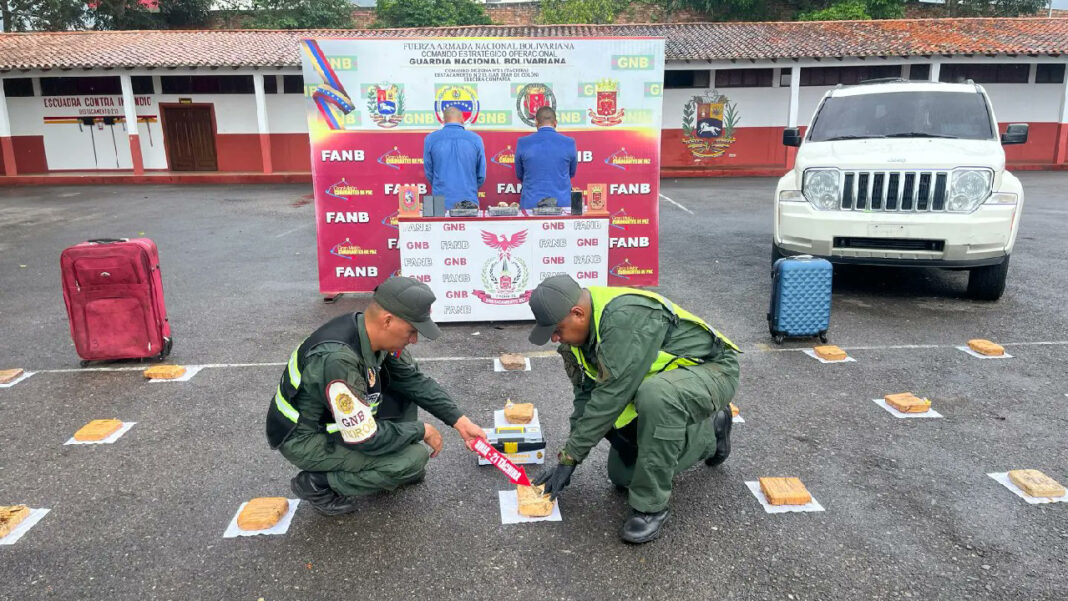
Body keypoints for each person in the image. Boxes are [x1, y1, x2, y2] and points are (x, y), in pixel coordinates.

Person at [527, 275, 740, 543]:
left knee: (656, 396)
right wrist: (567, 460)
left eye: (557, 330)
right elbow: (585, 399)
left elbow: (610, 397)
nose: (555, 338)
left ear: (578, 313)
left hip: (711, 370)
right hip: (659, 383)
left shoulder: (623, 318)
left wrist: (571, 458)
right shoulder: (575, 342)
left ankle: (651, 508)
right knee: (622, 477)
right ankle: (709, 433)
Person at [266, 276, 486, 515]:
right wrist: (421, 430)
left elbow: (414, 382)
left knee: (404, 387)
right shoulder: (338, 360)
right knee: (411, 460)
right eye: (412, 331)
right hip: (307, 439)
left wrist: (460, 421)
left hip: (337, 424)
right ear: (388, 321)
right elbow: (364, 437)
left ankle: (389, 466)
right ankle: (317, 483)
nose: (414, 339)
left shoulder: (371, 334)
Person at [423, 106, 486, 210]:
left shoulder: (430, 139)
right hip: (468, 200)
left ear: (443, 120)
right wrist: (469, 188)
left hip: (438, 202)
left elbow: (429, 173)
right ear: (463, 120)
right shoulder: (476, 139)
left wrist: (440, 186)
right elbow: (481, 175)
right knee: (470, 227)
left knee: (437, 226)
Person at [515, 106, 578, 211]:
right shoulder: (569, 143)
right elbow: (571, 173)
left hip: (531, 205)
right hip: (562, 205)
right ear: (555, 123)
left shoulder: (523, 142)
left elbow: (520, 174)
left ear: (536, 122)